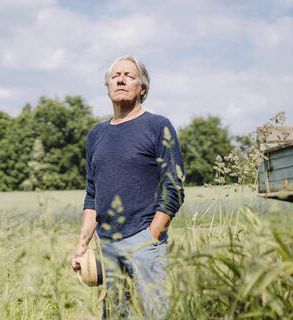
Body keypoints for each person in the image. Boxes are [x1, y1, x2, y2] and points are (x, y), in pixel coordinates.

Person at [71, 55, 185, 319]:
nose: (121, 79)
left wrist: (151, 236)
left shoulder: (158, 126)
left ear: (142, 88)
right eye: (115, 76)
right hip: (107, 245)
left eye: (129, 76)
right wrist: (82, 244)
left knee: (154, 314)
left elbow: (174, 188)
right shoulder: (96, 134)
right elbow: (92, 194)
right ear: (108, 86)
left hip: (144, 243)